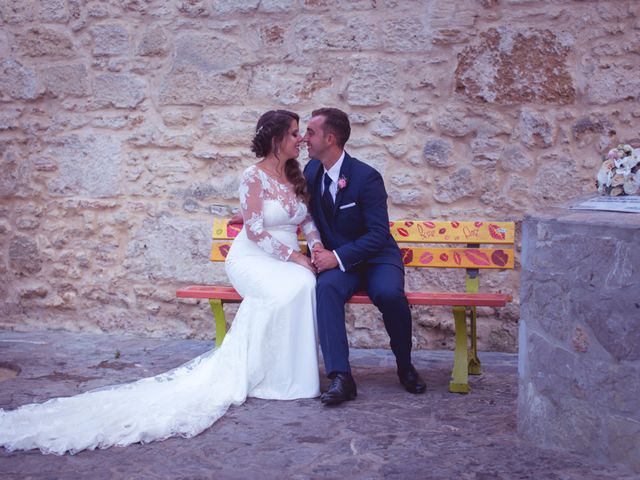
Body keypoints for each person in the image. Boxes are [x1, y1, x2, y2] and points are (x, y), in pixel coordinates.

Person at [0, 110, 322, 455]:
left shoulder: (295, 174)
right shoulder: (252, 177)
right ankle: (264, 374)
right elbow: (256, 232)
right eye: (293, 133)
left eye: (299, 133)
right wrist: (296, 258)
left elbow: (307, 221)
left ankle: (289, 376)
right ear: (275, 140)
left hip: (285, 258)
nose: (299, 139)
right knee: (293, 286)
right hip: (255, 258)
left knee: (304, 284)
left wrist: (314, 247)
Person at [302, 107, 426, 406]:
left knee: (389, 293)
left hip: (375, 257)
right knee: (326, 288)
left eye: (310, 133)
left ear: (330, 139)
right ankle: (341, 377)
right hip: (340, 263)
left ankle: (404, 364)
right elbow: (297, 209)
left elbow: (377, 233)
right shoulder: (310, 172)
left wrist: (337, 257)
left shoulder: (366, 178)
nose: (304, 139)